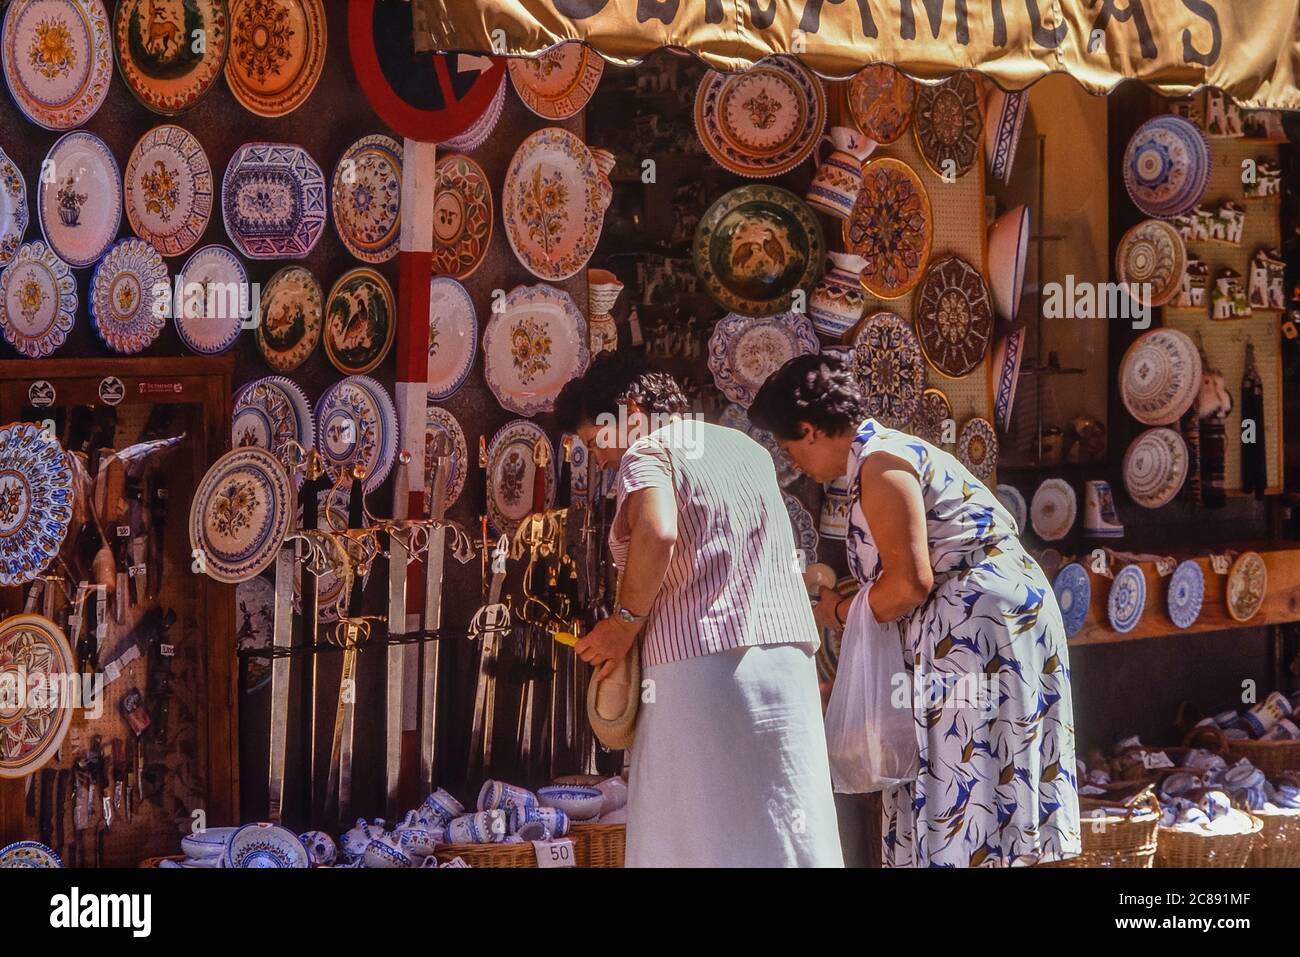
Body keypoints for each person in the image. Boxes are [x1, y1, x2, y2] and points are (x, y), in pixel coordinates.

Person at [750, 353, 1080, 867]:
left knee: (971, 792)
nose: (795, 463)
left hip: (979, 628)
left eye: (791, 447)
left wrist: (837, 612)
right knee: (981, 790)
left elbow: (909, 583)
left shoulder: (881, 464)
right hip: (989, 620)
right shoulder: (885, 455)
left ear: (810, 430)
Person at [556, 353, 843, 868]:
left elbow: (658, 531)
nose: (598, 458)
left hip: (702, 673)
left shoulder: (646, 451)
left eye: (597, 441)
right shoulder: (746, 450)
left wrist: (622, 625)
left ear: (632, 411)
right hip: (787, 669)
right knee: (783, 834)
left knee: (693, 836)